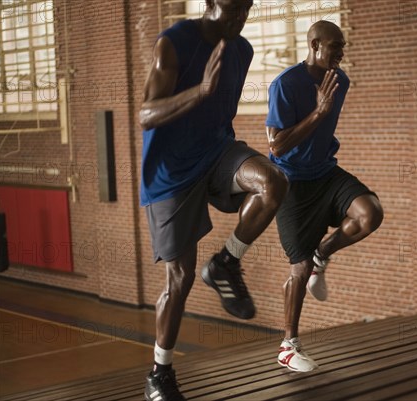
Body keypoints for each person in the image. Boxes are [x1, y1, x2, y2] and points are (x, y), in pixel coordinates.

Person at [138, 0, 288, 399]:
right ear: (208, 3)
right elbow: (146, 114)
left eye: (247, 7)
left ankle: (226, 262)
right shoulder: (172, 43)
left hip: (216, 152)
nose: (240, 15)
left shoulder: (242, 48)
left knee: (273, 182)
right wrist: (200, 90)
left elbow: (221, 115)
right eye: (232, 7)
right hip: (171, 173)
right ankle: (160, 372)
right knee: (179, 279)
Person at [266, 20, 384, 372]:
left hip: (325, 173)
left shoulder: (340, 80)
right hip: (291, 183)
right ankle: (288, 346)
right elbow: (275, 145)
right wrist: (318, 111)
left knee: (370, 213)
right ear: (315, 44)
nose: (341, 52)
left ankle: (323, 253)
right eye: (335, 46)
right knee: (298, 269)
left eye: (343, 45)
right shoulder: (285, 84)